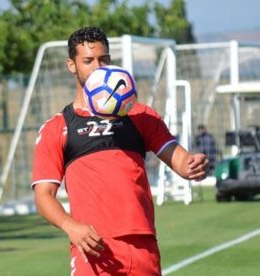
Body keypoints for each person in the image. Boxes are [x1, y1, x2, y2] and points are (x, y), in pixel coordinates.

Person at [32, 26, 209, 276]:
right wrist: (71, 226)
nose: (98, 67)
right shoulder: (58, 127)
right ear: (71, 65)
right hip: (92, 246)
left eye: (104, 59)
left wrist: (191, 164)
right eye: (88, 60)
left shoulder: (140, 115)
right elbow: (43, 196)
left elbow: (178, 157)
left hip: (142, 244)